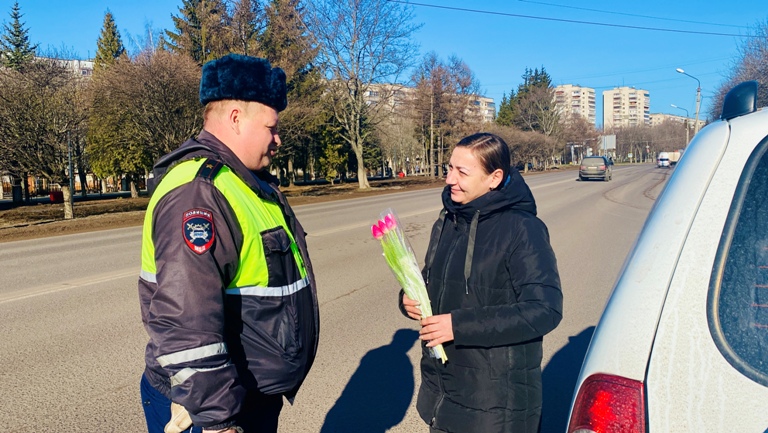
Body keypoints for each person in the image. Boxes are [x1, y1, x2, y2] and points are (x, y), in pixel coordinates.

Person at [138, 54, 319, 433]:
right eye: (271, 127)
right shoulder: (199, 192)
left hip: (244, 396)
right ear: (236, 118)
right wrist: (218, 421)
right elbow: (185, 324)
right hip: (211, 407)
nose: (278, 139)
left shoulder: (249, 184)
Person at [399, 132, 563, 433]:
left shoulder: (523, 229)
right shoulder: (449, 220)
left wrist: (457, 326)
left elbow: (545, 310)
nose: (450, 179)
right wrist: (409, 297)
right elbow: (432, 278)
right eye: (449, 168)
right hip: (445, 394)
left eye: (462, 172)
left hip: (495, 407)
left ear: (494, 178)